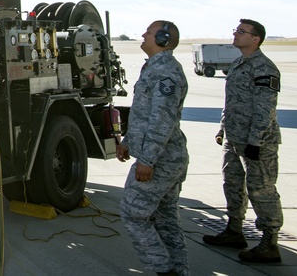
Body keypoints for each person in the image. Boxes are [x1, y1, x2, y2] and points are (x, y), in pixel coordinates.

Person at [202, 18, 283, 263]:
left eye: (242, 32)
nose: (235, 35)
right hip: (235, 139)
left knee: (261, 190)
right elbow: (232, 102)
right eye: (236, 31)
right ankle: (234, 230)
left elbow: (265, 109)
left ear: (255, 39)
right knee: (233, 185)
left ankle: (269, 242)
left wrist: (256, 140)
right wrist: (222, 129)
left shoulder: (264, 68)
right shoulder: (238, 63)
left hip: (257, 143)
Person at [117, 20, 189, 276]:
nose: (144, 35)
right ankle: (179, 271)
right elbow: (145, 114)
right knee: (166, 221)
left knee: (133, 214)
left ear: (163, 39)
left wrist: (147, 160)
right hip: (164, 156)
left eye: (149, 32)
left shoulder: (165, 71)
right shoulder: (155, 67)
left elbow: (162, 121)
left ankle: (164, 270)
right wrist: (128, 142)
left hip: (161, 159)